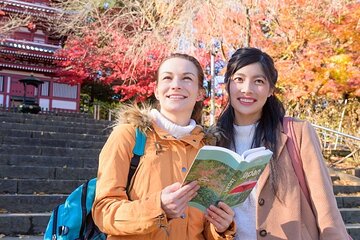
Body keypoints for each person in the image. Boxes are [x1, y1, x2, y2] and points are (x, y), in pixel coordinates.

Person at [92, 53, 236, 239]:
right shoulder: (128, 136)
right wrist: (158, 208)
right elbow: (103, 212)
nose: (176, 84)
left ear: (200, 92)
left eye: (187, 78)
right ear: (157, 90)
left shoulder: (209, 150)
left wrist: (221, 227)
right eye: (168, 77)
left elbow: (204, 227)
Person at [216, 47, 349, 239]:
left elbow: (325, 206)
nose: (247, 89)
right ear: (227, 84)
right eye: (239, 79)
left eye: (259, 81)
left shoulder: (296, 132)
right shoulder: (213, 140)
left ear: (270, 90)